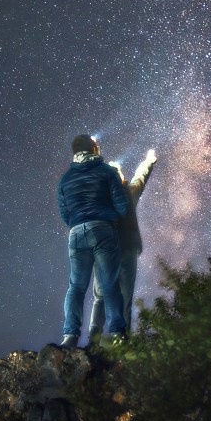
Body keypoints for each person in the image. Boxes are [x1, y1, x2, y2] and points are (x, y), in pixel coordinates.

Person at [56, 134, 129, 349]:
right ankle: (117, 333)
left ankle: (70, 336)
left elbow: (64, 214)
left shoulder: (65, 179)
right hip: (103, 230)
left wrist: (78, 222)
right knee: (109, 284)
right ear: (93, 149)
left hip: (77, 233)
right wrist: (111, 218)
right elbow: (122, 205)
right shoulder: (106, 172)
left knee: (76, 287)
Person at [88, 148, 157, 342]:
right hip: (112, 249)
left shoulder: (125, 193)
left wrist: (149, 161)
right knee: (104, 296)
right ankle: (100, 338)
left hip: (121, 250)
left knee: (117, 295)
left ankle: (117, 338)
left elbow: (140, 177)